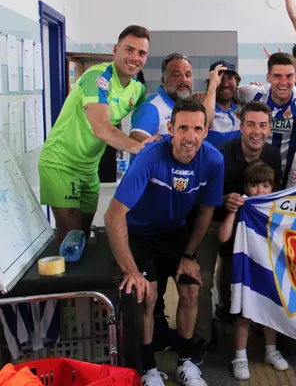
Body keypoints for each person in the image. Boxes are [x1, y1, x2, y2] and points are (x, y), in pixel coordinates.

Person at [105, 100, 224, 386]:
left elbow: (206, 212)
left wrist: (189, 254)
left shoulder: (213, 160)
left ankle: (186, 361)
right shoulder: (150, 156)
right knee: (148, 295)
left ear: (206, 131)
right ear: (170, 128)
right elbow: (113, 216)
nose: (190, 136)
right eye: (183, 128)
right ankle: (148, 369)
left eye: (197, 128)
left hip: (175, 234)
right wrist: (131, 270)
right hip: (140, 235)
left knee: (190, 290)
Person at [38, 25, 155, 245]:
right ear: (115, 50)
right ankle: (57, 278)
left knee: (82, 233)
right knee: (71, 234)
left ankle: (73, 278)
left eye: (141, 53)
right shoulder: (97, 77)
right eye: (129, 50)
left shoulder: (137, 89)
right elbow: (101, 128)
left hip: (89, 169)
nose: (134, 57)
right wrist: (137, 147)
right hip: (60, 163)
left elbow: (144, 124)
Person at [192, 101, 283, 350]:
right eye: (251, 124)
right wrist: (223, 200)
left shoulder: (273, 155)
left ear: (270, 128)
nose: (257, 131)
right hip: (215, 219)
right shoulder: (219, 155)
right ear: (241, 127)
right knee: (201, 279)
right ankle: (201, 339)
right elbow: (199, 196)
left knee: (260, 273)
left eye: (263, 125)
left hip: (252, 227)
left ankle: (242, 315)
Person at [218, 161, 289, 381]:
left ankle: (270, 350)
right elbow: (223, 237)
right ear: (246, 188)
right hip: (245, 270)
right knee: (244, 315)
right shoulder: (243, 207)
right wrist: (233, 211)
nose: (260, 190)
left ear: (273, 188)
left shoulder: (276, 207)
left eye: (265, 186)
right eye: (255, 185)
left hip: (269, 268)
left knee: (270, 312)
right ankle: (240, 357)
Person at [237, 52, 296, 183]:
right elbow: (228, 92)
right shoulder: (254, 93)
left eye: (289, 76)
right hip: (256, 177)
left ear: (295, 77)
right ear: (268, 77)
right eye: (277, 76)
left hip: (289, 175)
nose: (284, 82)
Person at [131, 53, 199, 142]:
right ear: (163, 81)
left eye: (188, 75)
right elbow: (136, 140)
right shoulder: (151, 107)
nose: (184, 79)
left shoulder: (190, 106)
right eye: (176, 75)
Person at [197, 60, 242, 149]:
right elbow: (204, 124)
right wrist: (213, 85)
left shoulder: (242, 107)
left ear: (236, 81)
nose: (225, 84)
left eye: (229, 78)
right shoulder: (202, 108)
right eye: (219, 78)